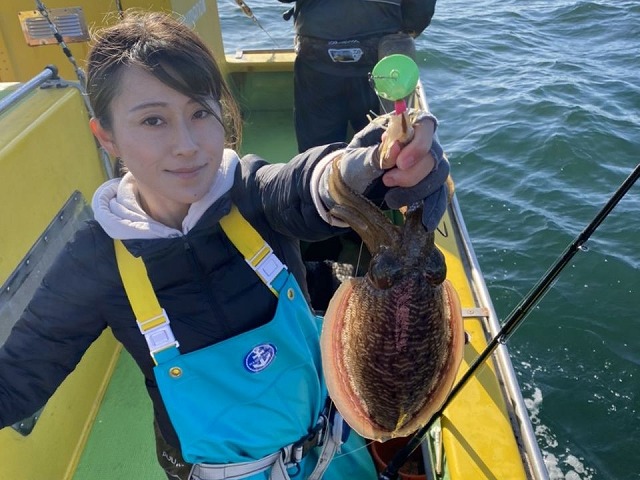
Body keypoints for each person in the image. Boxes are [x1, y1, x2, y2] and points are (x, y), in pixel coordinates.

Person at [0, 10, 449, 480]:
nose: (187, 144)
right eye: (153, 120)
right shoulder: (94, 261)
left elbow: (305, 187)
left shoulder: (250, 192)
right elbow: (18, 379)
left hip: (330, 445)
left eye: (200, 112)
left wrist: (371, 165)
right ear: (106, 136)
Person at [278, 0, 438, 152]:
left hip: (318, 59)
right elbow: (419, 13)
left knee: (318, 151)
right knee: (381, 145)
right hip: (380, 60)